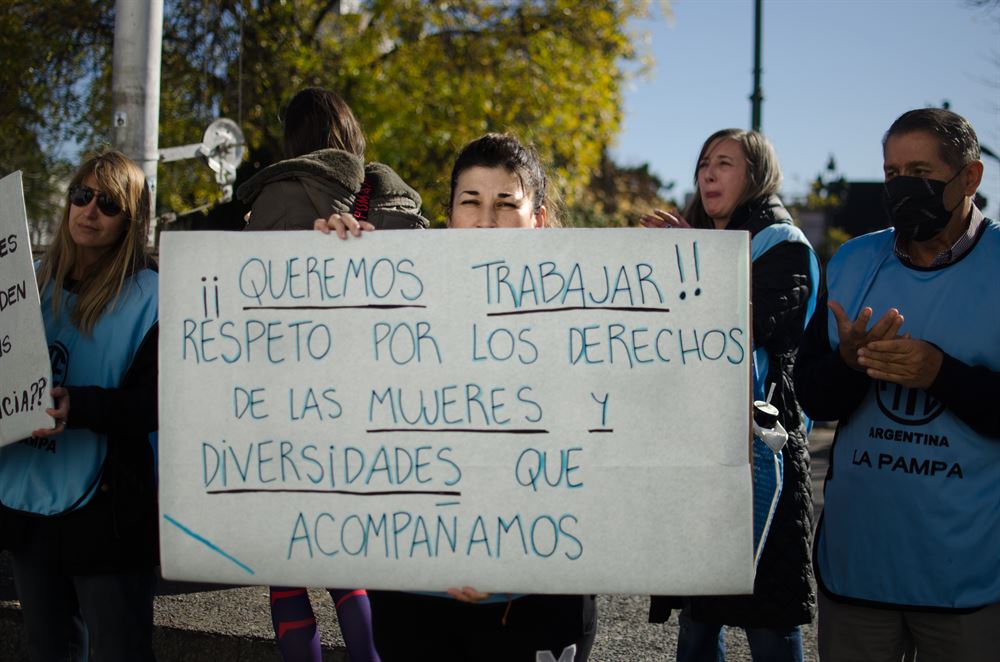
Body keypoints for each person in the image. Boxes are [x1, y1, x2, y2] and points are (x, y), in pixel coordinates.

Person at [315, 133, 597, 662]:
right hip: (419, 601)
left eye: (506, 204)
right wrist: (329, 266)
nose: (486, 221)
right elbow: (332, 389)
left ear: (537, 219)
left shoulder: (588, 316)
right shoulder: (393, 295)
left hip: (538, 604)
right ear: (448, 215)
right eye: (471, 202)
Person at [793, 108, 1000, 661]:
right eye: (891, 174)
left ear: (970, 178)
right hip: (859, 570)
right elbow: (812, 395)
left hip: (970, 580)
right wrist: (849, 365)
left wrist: (942, 375)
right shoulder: (856, 258)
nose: (904, 187)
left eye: (921, 172)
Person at [237, 86, 427, 662]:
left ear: (293, 139)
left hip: (291, 405)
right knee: (352, 558)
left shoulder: (275, 200)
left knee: (287, 562)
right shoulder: (397, 204)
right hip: (374, 408)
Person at [641, 129, 819, 662]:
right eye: (703, 164)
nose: (709, 174)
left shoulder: (783, 245)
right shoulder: (700, 236)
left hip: (763, 447)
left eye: (725, 163)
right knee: (702, 611)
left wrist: (689, 255)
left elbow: (748, 327)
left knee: (770, 608)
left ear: (756, 175)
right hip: (697, 444)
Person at [0, 150, 159, 661]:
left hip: (107, 517)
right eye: (81, 195)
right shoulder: (30, 283)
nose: (89, 210)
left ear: (131, 220)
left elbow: (156, 406)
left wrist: (79, 407)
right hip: (30, 507)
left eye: (109, 203)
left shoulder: (153, 296)